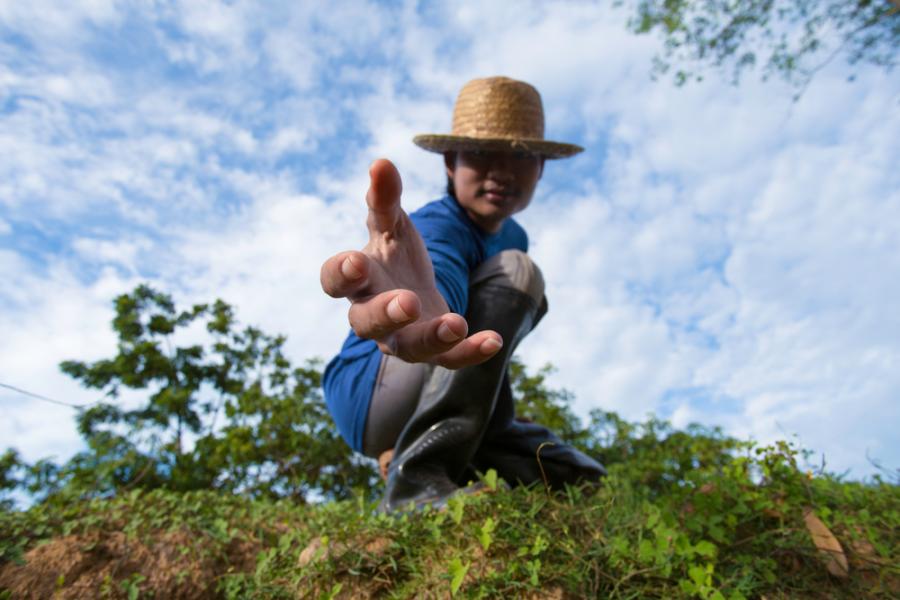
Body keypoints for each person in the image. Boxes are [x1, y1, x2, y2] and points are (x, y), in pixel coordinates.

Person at [321, 76, 606, 512]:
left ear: (541, 168)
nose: (501, 171)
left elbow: (490, 347)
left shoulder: (513, 235)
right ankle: (413, 486)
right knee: (519, 273)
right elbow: (441, 277)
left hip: (439, 378)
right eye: (480, 153)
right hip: (375, 384)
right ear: (450, 163)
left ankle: (414, 453)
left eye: (521, 156)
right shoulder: (439, 226)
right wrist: (429, 311)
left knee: (578, 475)